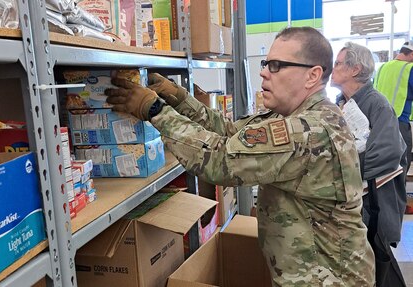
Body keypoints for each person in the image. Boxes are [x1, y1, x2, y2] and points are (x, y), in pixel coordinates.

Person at [105, 27, 375, 286]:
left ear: (312, 76)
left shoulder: (309, 130)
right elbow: (230, 133)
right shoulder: (291, 115)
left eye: (276, 66)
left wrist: (154, 109)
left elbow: (220, 160)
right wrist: (179, 99)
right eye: (266, 64)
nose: (264, 73)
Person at [331, 42, 407, 286]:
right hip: (352, 198)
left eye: (338, 63)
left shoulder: (378, 104)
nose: (332, 68)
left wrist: (340, 171)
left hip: (374, 201)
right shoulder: (340, 102)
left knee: (375, 260)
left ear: (355, 69)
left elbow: (387, 152)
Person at [374, 42, 413, 176]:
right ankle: (399, 195)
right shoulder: (409, 68)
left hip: (378, 122)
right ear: (411, 54)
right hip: (399, 121)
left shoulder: (383, 67)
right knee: (402, 163)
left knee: (384, 164)